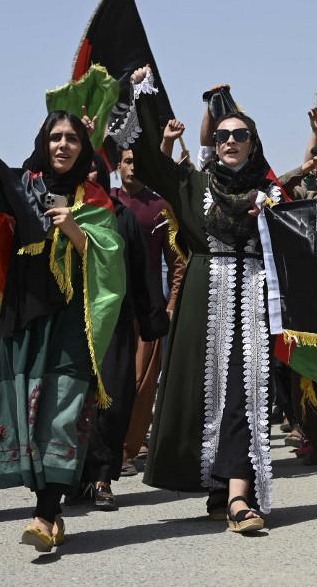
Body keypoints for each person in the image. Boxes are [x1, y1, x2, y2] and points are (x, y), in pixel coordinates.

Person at [0, 97, 124, 552]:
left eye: (72, 139)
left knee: (60, 415)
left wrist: (75, 230)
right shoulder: (24, 185)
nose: (63, 145)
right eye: (55, 137)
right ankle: (52, 511)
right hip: (24, 313)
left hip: (69, 320)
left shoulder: (93, 198)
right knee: (26, 415)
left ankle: (44, 513)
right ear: (43, 142)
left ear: (84, 147)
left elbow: (111, 261)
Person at [111, 66, 278, 534]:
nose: (230, 141)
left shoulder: (271, 193)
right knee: (207, 397)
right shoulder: (193, 185)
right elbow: (145, 159)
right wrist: (142, 94)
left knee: (245, 396)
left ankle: (239, 497)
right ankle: (219, 486)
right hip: (205, 304)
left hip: (254, 303)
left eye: (240, 135)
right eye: (223, 134)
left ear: (252, 143)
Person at [75, 155, 168, 509]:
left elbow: (141, 271)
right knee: (72, 402)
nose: (93, 173)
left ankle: (101, 478)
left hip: (114, 321)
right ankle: (73, 479)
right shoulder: (60, 212)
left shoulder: (120, 216)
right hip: (72, 324)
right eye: (87, 167)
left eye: (98, 167)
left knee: (111, 400)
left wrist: (151, 321)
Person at [112, 147, 177, 475]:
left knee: (140, 384)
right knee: (110, 383)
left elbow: (178, 261)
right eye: (127, 161)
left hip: (148, 311)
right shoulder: (105, 203)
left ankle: (126, 452)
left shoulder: (161, 207)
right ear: (117, 166)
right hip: (109, 311)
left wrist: (171, 304)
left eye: (138, 162)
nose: (132, 168)